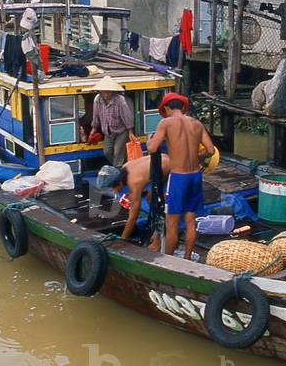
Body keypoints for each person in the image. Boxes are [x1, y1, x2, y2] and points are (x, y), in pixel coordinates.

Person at [146, 93, 215, 260]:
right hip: (195, 176)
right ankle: (186, 259)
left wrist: (149, 141)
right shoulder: (197, 124)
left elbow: (153, 149)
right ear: (183, 108)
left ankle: (169, 262)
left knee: (172, 224)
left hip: (179, 178)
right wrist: (197, 157)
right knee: (191, 221)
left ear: (168, 108)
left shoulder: (165, 123)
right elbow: (211, 150)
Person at [95, 154, 172, 246]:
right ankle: (157, 229)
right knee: (150, 198)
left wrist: (122, 240)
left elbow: (133, 218)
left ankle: (159, 239)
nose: (113, 192)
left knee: (164, 207)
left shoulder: (134, 184)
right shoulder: (125, 167)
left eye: (112, 189)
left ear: (119, 182)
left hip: (171, 169)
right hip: (162, 160)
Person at [84, 76, 134, 166]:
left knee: (118, 152)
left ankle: (118, 170)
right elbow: (96, 117)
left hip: (121, 131)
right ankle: (119, 166)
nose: (106, 94)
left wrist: (130, 132)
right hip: (107, 132)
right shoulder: (97, 100)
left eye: (108, 92)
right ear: (100, 92)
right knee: (107, 152)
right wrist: (93, 131)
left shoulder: (119, 100)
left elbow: (127, 117)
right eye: (104, 92)